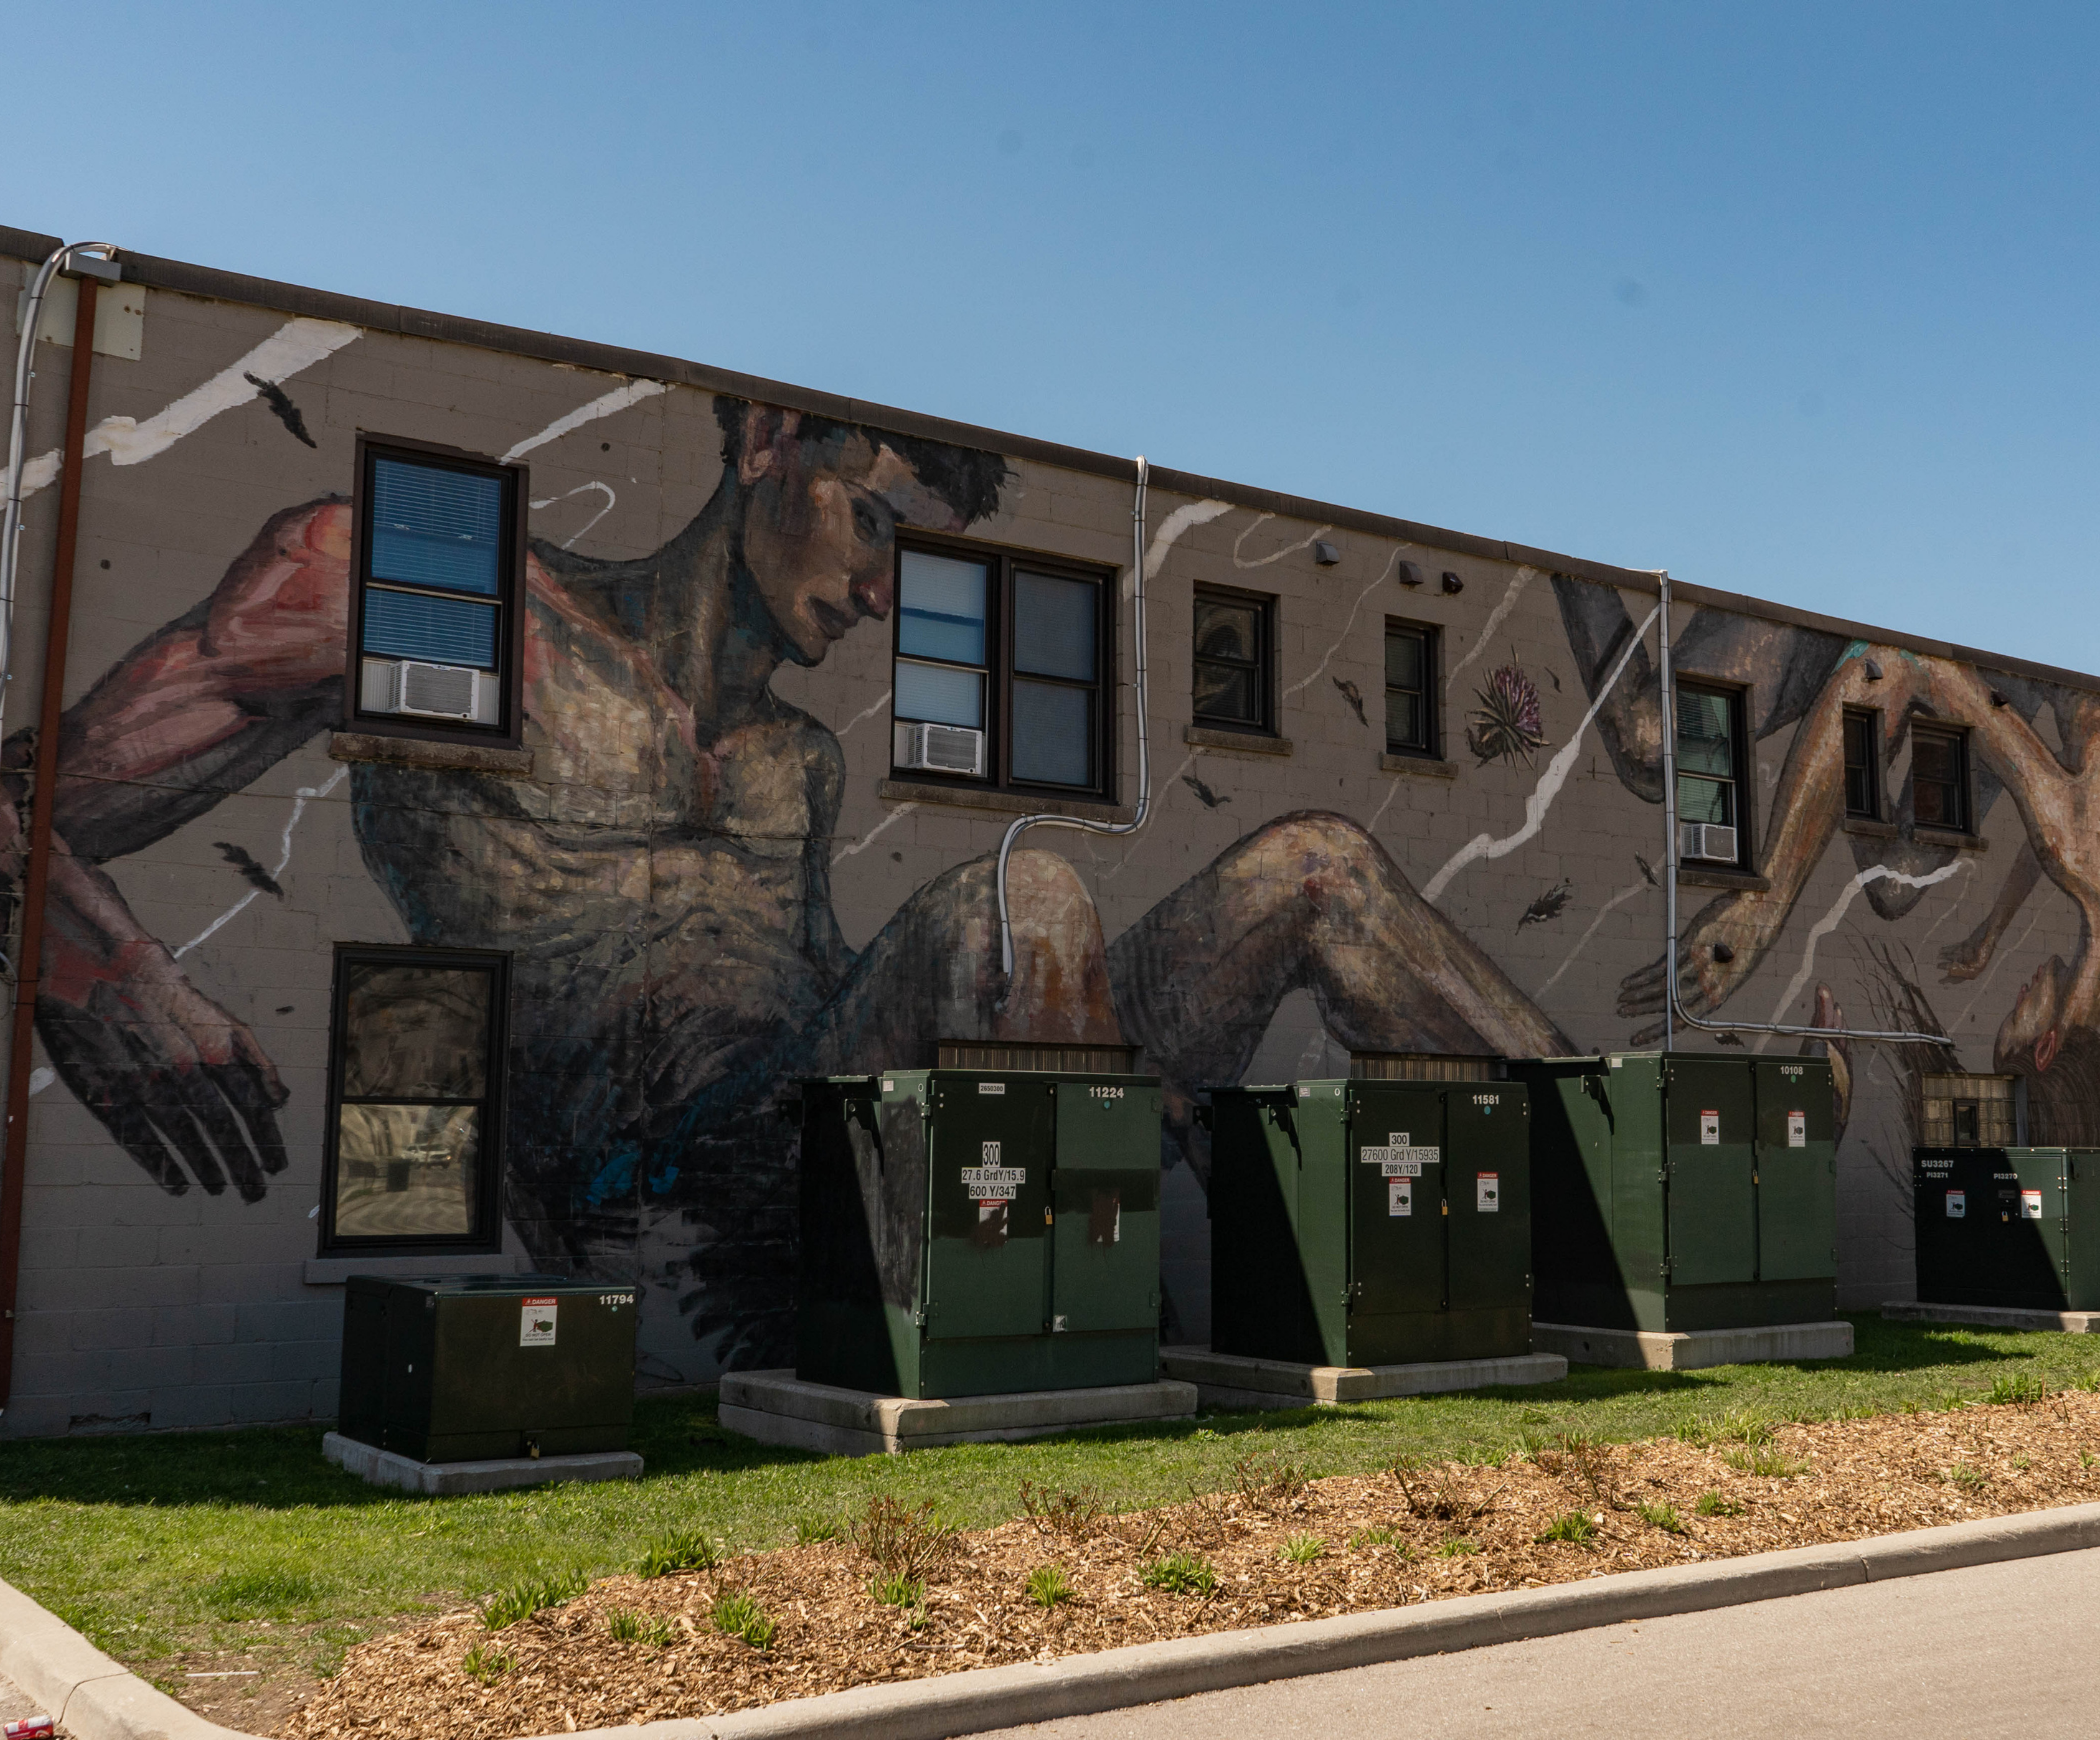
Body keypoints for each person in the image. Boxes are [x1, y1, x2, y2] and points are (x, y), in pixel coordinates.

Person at [18, 394, 1568, 1362]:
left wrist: (1083, 1042)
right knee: (1027, 894)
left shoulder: (795, 763)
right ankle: (1094, 1347)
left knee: (1318, 862)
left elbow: (822, 1001)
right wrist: (101, 963)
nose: (888, 594)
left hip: (817, 1136)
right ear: (765, 441)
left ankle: (1618, 1212)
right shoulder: (434, 589)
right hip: (650, 1191)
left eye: (918, 563)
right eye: (873, 523)